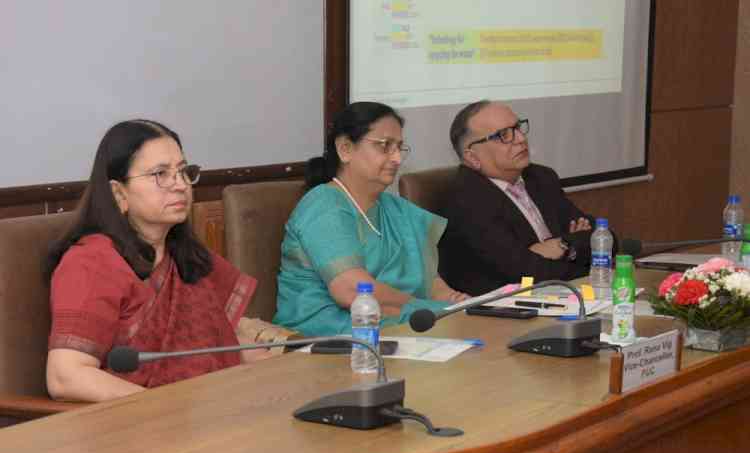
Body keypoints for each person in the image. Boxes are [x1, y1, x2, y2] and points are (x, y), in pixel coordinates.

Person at [46, 119, 293, 403]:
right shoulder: (91, 264)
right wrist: (162, 410)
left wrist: (288, 372)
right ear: (119, 193)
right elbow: (66, 377)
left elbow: (220, 345)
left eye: (184, 172)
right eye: (160, 174)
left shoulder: (185, 255)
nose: (180, 185)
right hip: (134, 427)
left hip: (207, 412)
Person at [273, 102, 469, 336]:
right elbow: (353, 293)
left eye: (399, 147)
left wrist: (462, 304)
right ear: (345, 149)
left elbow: (433, 286)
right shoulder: (324, 205)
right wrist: (434, 309)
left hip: (399, 326)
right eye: (385, 146)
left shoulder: (397, 209)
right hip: (327, 335)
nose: (396, 158)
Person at [439, 100, 600, 296]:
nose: (521, 138)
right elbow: (527, 275)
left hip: (561, 296)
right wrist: (578, 252)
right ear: (472, 157)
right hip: (503, 314)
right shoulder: (466, 200)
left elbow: (602, 238)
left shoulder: (541, 177)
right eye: (503, 135)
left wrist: (563, 245)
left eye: (517, 128)